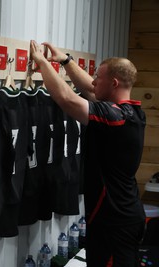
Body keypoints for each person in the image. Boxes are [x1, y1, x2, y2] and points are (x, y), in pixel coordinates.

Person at [29, 40, 146, 267]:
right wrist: (65, 61)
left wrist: (42, 63)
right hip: (119, 218)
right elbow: (91, 90)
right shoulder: (130, 113)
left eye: (98, 77)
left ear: (113, 83)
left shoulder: (116, 118)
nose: (93, 81)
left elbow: (67, 100)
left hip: (116, 223)